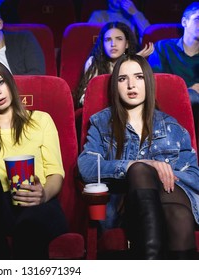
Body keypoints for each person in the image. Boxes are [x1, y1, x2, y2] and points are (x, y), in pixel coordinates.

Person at [78, 54, 199, 259]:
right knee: (140, 170)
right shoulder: (101, 123)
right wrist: (135, 165)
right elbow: (87, 167)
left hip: (173, 199)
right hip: (125, 207)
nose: (131, 85)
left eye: (139, 77)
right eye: (122, 79)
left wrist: (158, 178)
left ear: (148, 82)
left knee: (179, 216)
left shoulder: (171, 126)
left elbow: (194, 176)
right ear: (115, 86)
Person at [0, 57, 68, 259]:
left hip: (40, 204)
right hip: (0, 209)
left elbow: (56, 173)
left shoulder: (40, 119)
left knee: (29, 225)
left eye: (0, 82)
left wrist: (43, 194)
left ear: (9, 81)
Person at [148, 2, 199, 148]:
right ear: (184, 22)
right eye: (198, 19)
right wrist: (188, 90)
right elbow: (156, 82)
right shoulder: (163, 47)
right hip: (168, 107)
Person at [75, 21, 154, 108]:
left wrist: (132, 61)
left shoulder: (137, 64)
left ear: (127, 44)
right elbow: (84, 99)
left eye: (119, 39)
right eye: (108, 40)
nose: (113, 44)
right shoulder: (94, 62)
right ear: (103, 44)